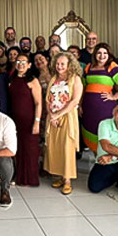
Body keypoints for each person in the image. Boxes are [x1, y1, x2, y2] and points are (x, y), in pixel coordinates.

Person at [80, 43, 118, 153]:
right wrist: (79, 104)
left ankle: (106, 160)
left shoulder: (111, 67)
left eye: (105, 53)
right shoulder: (89, 67)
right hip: (88, 109)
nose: (102, 55)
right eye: (99, 53)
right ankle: (97, 159)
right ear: (95, 54)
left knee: (104, 134)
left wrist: (114, 96)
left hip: (104, 109)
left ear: (109, 55)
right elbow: (83, 87)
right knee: (91, 132)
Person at [44, 52, 83, 195]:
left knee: (67, 148)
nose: (59, 66)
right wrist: (51, 116)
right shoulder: (53, 78)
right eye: (57, 63)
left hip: (67, 117)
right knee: (56, 147)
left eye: (63, 64)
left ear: (69, 65)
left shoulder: (75, 79)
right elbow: (48, 99)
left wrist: (58, 115)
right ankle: (60, 176)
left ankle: (67, 181)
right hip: (53, 119)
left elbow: (75, 101)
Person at [9, 54, 43, 186]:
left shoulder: (33, 81)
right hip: (14, 120)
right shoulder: (12, 79)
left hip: (29, 120)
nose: (20, 64)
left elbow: (38, 103)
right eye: (18, 61)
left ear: (29, 65)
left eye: (24, 62)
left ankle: (30, 178)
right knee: (17, 149)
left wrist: (37, 122)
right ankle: (18, 176)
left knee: (30, 150)